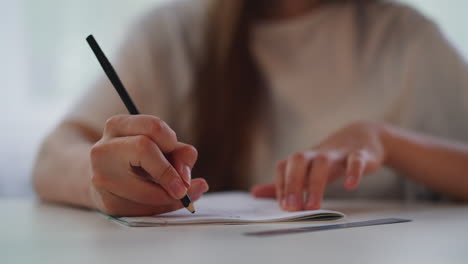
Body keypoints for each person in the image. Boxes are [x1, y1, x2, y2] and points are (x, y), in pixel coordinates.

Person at [33, 0, 468, 216]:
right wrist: (99, 184)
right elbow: (54, 154)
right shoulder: (172, 36)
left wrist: (388, 142)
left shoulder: (408, 43)